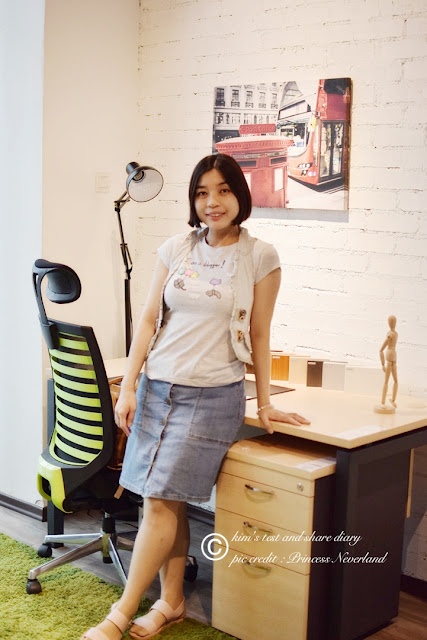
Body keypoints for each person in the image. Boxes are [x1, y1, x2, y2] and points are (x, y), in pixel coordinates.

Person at [81, 153, 310, 640]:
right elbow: (149, 319)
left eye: (223, 190)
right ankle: (171, 601)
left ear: (239, 195)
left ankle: (120, 613)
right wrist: (130, 386)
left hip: (210, 398)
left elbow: (261, 333)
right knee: (167, 501)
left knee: (161, 501)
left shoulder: (260, 257)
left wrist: (265, 401)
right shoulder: (175, 249)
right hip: (157, 390)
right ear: (193, 200)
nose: (212, 202)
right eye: (202, 192)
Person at [379, 315, 398, 408]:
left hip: (391, 357)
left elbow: (381, 350)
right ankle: (387, 401)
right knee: (392, 381)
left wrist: (383, 364)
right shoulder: (394, 334)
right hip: (393, 357)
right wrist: (383, 364)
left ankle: (387, 401)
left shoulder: (391, 334)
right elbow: (381, 350)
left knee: (390, 381)